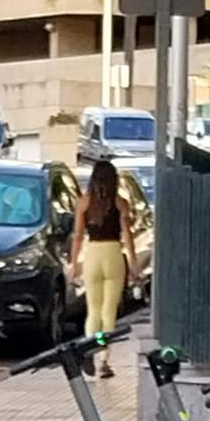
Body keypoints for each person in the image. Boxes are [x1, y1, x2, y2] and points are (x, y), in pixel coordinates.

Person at [68, 160, 141, 378]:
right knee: (109, 313)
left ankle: (89, 347)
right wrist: (134, 264)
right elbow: (127, 235)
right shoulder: (120, 203)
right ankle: (104, 361)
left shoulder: (83, 203)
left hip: (93, 255)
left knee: (93, 310)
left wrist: (74, 264)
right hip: (113, 254)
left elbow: (78, 236)